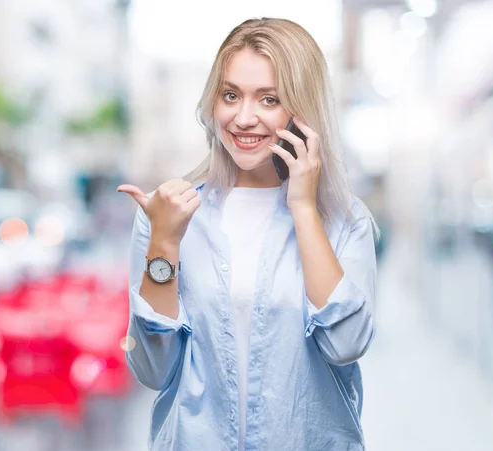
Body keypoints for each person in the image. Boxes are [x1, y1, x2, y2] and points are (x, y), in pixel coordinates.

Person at [117, 17, 377, 451]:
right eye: (231, 95)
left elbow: (346, 345)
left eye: (269, 99)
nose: (243, 118)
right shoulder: (167, 214)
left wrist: (303, 207)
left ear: (303, 110)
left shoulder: (345, 220)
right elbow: (153, 370)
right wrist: (164, 244)